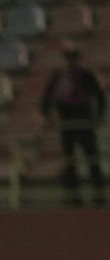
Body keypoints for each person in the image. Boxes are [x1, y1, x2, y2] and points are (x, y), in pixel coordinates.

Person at [40, 45, 107, 207]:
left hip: (84, 122)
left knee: (92, 159)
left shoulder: (86, 75)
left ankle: (99, 197)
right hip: (67, 124)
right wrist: (46, 114)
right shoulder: (59, 77)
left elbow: (100, 97)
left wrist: (98, 116)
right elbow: (47, 98)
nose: (72, 61)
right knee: (70, 161)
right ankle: (73, 197)